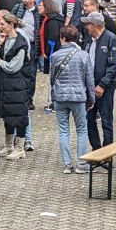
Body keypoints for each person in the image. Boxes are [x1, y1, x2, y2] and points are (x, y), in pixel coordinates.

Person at [47, 25, 92, 174]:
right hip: (78, 97)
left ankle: (67, 164)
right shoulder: (84, 55)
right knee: (81, 130)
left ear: (63, 38)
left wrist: (53, 94)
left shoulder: (55, 56)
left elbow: (52, 78)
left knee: (63, 131)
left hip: (60, 97)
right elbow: (89, 80)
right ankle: (81, 164)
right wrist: (91, 99)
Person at [0, 13, 36, 160]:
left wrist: (0, 62)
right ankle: (8, 145)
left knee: (19, 115)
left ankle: (20, 148)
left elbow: (13, 67)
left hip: (18, 85)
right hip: (6, 84)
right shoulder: (4, 40)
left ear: (11, 25)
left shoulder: (20, 43)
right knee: (8, 114)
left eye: (2, 24)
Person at [81, 12, 116, 149]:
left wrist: (102, 85)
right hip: (89, 86)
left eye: (88, 24)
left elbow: (114, 65)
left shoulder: (111, 39)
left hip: (105, 88)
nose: (86, 27)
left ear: (94, 25)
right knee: (89, 119)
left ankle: (107, 152)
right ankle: (96, 149)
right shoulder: (88, 40)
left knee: (106, 120)